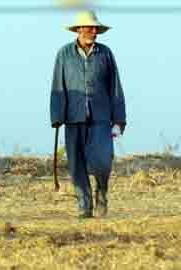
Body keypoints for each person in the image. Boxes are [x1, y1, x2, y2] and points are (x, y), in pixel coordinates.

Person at [50, 10, 127, 219]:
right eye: (90, 28)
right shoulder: (64, 54)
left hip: (101, 118)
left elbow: (115, 87)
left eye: (96, 29)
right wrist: (57, 115)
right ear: (79, 29)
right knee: (77, 164)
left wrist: (119, 119)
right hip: (73, 117)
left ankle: (102, 193)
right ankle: (84, 206)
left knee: (103, 161)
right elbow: (58, 85)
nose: (94, 32)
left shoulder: (106, 53)